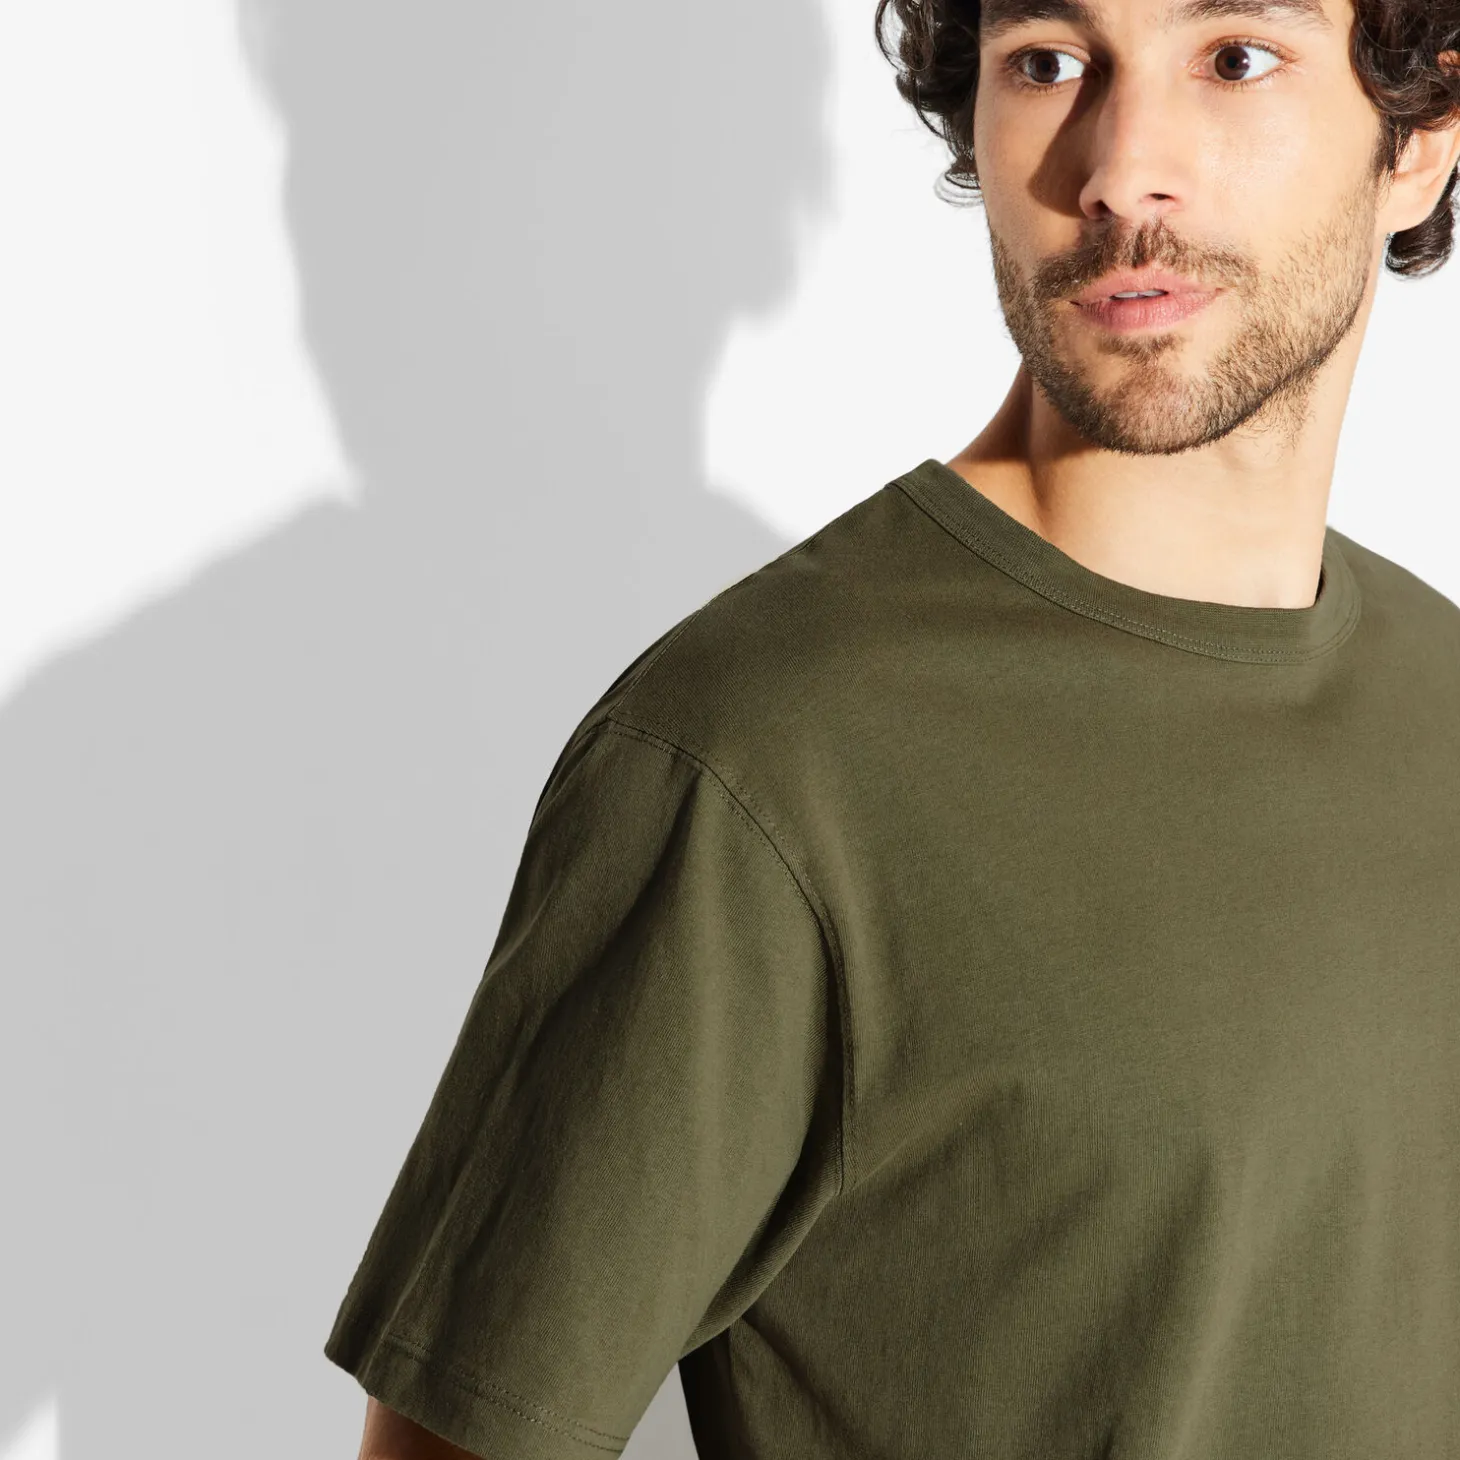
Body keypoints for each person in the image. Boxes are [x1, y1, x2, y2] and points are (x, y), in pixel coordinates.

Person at [323, 0, 1460, 1455]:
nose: (1121, 167)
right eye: (1048, 62)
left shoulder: (1441, 698)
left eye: (1235, 57)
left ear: (1419, 136)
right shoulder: (758, 760)